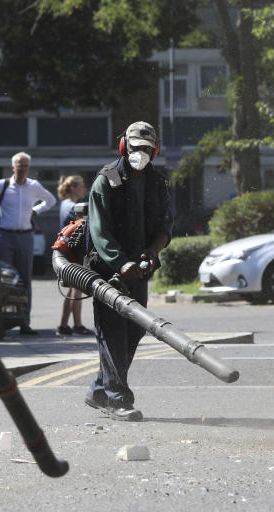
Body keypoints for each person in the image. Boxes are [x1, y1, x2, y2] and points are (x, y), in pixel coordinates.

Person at [85, 121, 173, 421]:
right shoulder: (106, 179)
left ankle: (99, 389)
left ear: (155, 151)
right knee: (113, 336)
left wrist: (151, 252)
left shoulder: (157, 183)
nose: (142, 153)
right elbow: (100, 230)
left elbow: (164, 227)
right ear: (125, 146)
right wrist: (122, 262)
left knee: (135, 331)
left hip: (139, 272)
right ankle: (118, 400)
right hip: (108, 272)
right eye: (137, 148)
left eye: (148, 149)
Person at [0, 152, 56, 336]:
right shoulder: (3, 185)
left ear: (29, 167)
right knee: (4, 279)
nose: (22, 168)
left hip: (25, 236)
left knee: (25, 279)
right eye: (19, 165)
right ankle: (1, 321)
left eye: (25, 165)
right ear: (13, 167)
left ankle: (24, 322)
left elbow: (51, 200)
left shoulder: (33, 186)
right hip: (5, 236)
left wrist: (35, 211)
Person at [55, 175, 91, 336]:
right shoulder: (74, 207)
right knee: (77, 289)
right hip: (75, 250)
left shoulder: (65, 204)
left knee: (71, 290)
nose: (84, 189)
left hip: (66, 250)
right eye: (82, 186)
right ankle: (77, 325)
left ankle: (63, 325)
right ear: (73, 188)